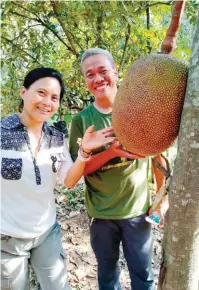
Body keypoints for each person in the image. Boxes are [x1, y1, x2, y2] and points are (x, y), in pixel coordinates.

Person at [0, 67, 116, 290]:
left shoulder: (56, 136)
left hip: (46, 233)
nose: (47, 102)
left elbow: (69, 180)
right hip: (7, 239)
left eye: (54, 97)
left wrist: (84, 152)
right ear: (23, 92)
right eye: (41, 93)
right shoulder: (2, 132)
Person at [69, 48, 168, 290]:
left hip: (138, 212)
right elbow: (80, 169)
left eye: (103, 71)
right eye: (89, 74)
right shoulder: (82, 121)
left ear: (116, 71)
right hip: (101, 215)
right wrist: (111, 152)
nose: (98, 78)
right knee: (107, 276)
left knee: (143, 276)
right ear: (85, 81)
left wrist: (162, 198)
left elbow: (158, 155)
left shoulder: (140, 109)